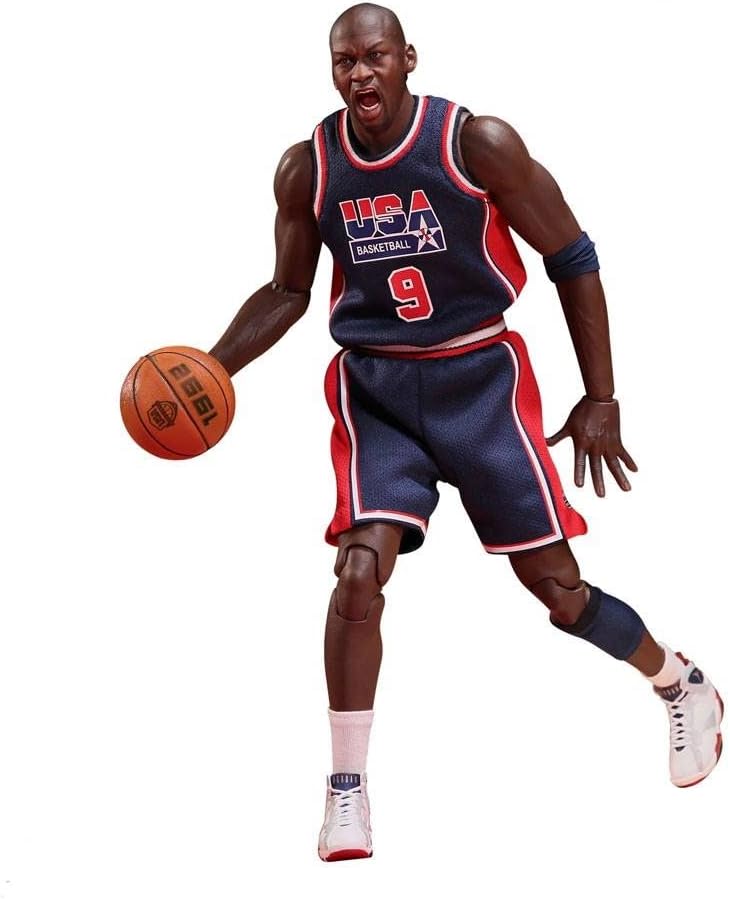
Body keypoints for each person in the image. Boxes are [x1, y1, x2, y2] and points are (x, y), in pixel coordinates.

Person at [208, 3, 723, 862]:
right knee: (358, 572)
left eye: (375, 56)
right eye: (344, 61)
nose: (360, 73)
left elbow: (572, 254)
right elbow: (289, 291)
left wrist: (601, 394)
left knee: (559, 592)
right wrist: (214, 366)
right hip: (377, 388)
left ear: (408, 58)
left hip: (480, 379)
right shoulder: (309, 167)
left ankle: (678, 680)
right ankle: (346, 787)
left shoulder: (474, 142)